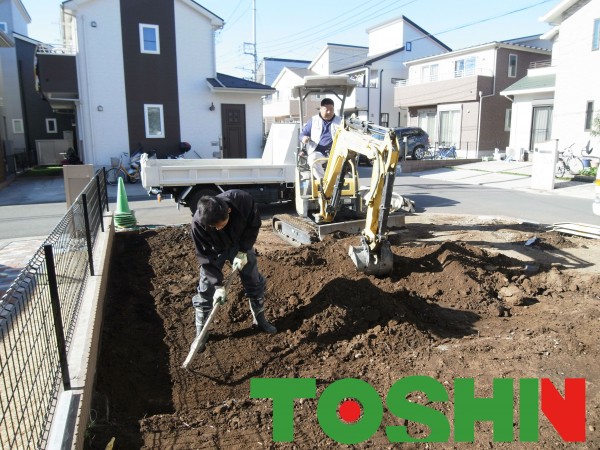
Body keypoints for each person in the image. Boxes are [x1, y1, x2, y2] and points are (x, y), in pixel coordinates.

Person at [190, 189, 276, 352]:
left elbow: (253, 225)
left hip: (239, 243)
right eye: (213, 227)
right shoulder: (198, 224)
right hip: (214, 252)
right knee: (206, 288)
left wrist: (244, 250)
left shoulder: (243, 201)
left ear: (228, 211)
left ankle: (260, 319)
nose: (217, 229)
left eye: (220, 225)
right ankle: (201, 334)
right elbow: (205, 256)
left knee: (253, 279)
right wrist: (218, 285)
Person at [299, 97, 342, 179]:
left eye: (331, 109)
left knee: (345, 161)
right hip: (318, 153)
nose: (329, 112)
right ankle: (323, 182)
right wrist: (304, 138)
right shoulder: (313, 120)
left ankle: (338, 184)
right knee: (312, 159)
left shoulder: (340, 121)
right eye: (326, 110)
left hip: (336, 152)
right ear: (321, 109)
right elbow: (302, 134)